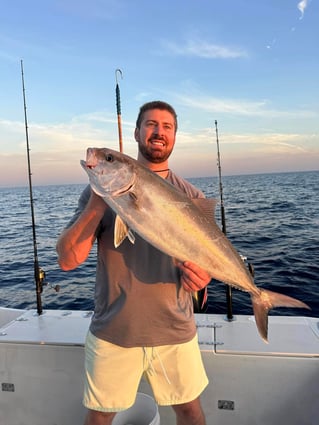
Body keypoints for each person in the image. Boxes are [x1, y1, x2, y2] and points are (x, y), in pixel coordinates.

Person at [56, 101, 211, 425]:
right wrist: (103, 197)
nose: (159, 132)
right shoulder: (96, 195)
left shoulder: (192, 197)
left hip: (175, 328)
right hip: (115, 329)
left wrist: (202, 281)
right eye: (151, 124)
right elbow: (68, 260)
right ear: (138, 132)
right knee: (100, 417)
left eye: (167, 127)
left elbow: (203, 280)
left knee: (190, 412)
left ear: (174, 137)